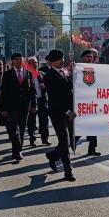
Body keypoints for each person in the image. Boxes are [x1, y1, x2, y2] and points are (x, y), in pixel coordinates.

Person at [43, 50, 76, 181]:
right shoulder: (49, 75)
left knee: (67, 142)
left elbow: (72, 89)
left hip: (70, 112)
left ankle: (52, 156)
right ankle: (68, 172)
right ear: (52, 61)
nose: (62, 61)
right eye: (59, 59)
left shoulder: (66, 72)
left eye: (62, 58)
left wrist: (74, 72)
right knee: (64, 140)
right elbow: (55, 97)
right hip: (58, 113)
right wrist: (68, 111)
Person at [0, 53, 37, 163]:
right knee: (13, 129)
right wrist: (3, 108)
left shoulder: (28, 73)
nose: (19, 61)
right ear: (12, 61)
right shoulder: (7, 74)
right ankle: (17, 149)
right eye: (16, 59)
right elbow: (4, 93)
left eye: (20, 59)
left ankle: (17, 150)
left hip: (24, 106)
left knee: (21, 129)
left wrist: (34, 105)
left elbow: (32, 91)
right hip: (12, 107)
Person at [76, 49, 101, 156]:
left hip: (93, 102)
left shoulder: (97, 69)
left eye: (92, 57)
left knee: (93, 127)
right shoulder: (77, 68)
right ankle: (62, 149)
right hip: (82, 103)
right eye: (88, 57)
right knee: (80, 129)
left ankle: (92, 149)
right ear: (82, 57)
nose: (91, 59)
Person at [27, 56, 50, 146]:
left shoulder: (42, 74)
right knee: (32, 121)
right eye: (32, 62)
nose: (35, 64)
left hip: (42, 100)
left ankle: (45, 138)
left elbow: (49, 85)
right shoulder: (26, 75)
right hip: (32, 101)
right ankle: (32, 139)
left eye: (36, 62)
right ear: (28, 65)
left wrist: (45, 85)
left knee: (44, 120)